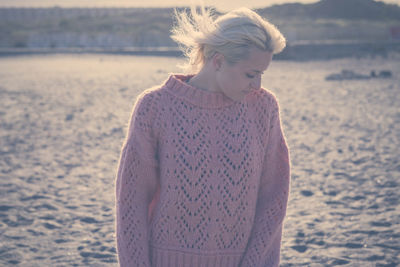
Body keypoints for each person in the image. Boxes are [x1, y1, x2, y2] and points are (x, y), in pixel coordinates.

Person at [115, 5, 290, 267]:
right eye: (250, 74)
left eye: (261, 74)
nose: (257, 85)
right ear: (218, 61)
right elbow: (132, 202)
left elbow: (274, 197)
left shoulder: (263, 108)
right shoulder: (155, 107)